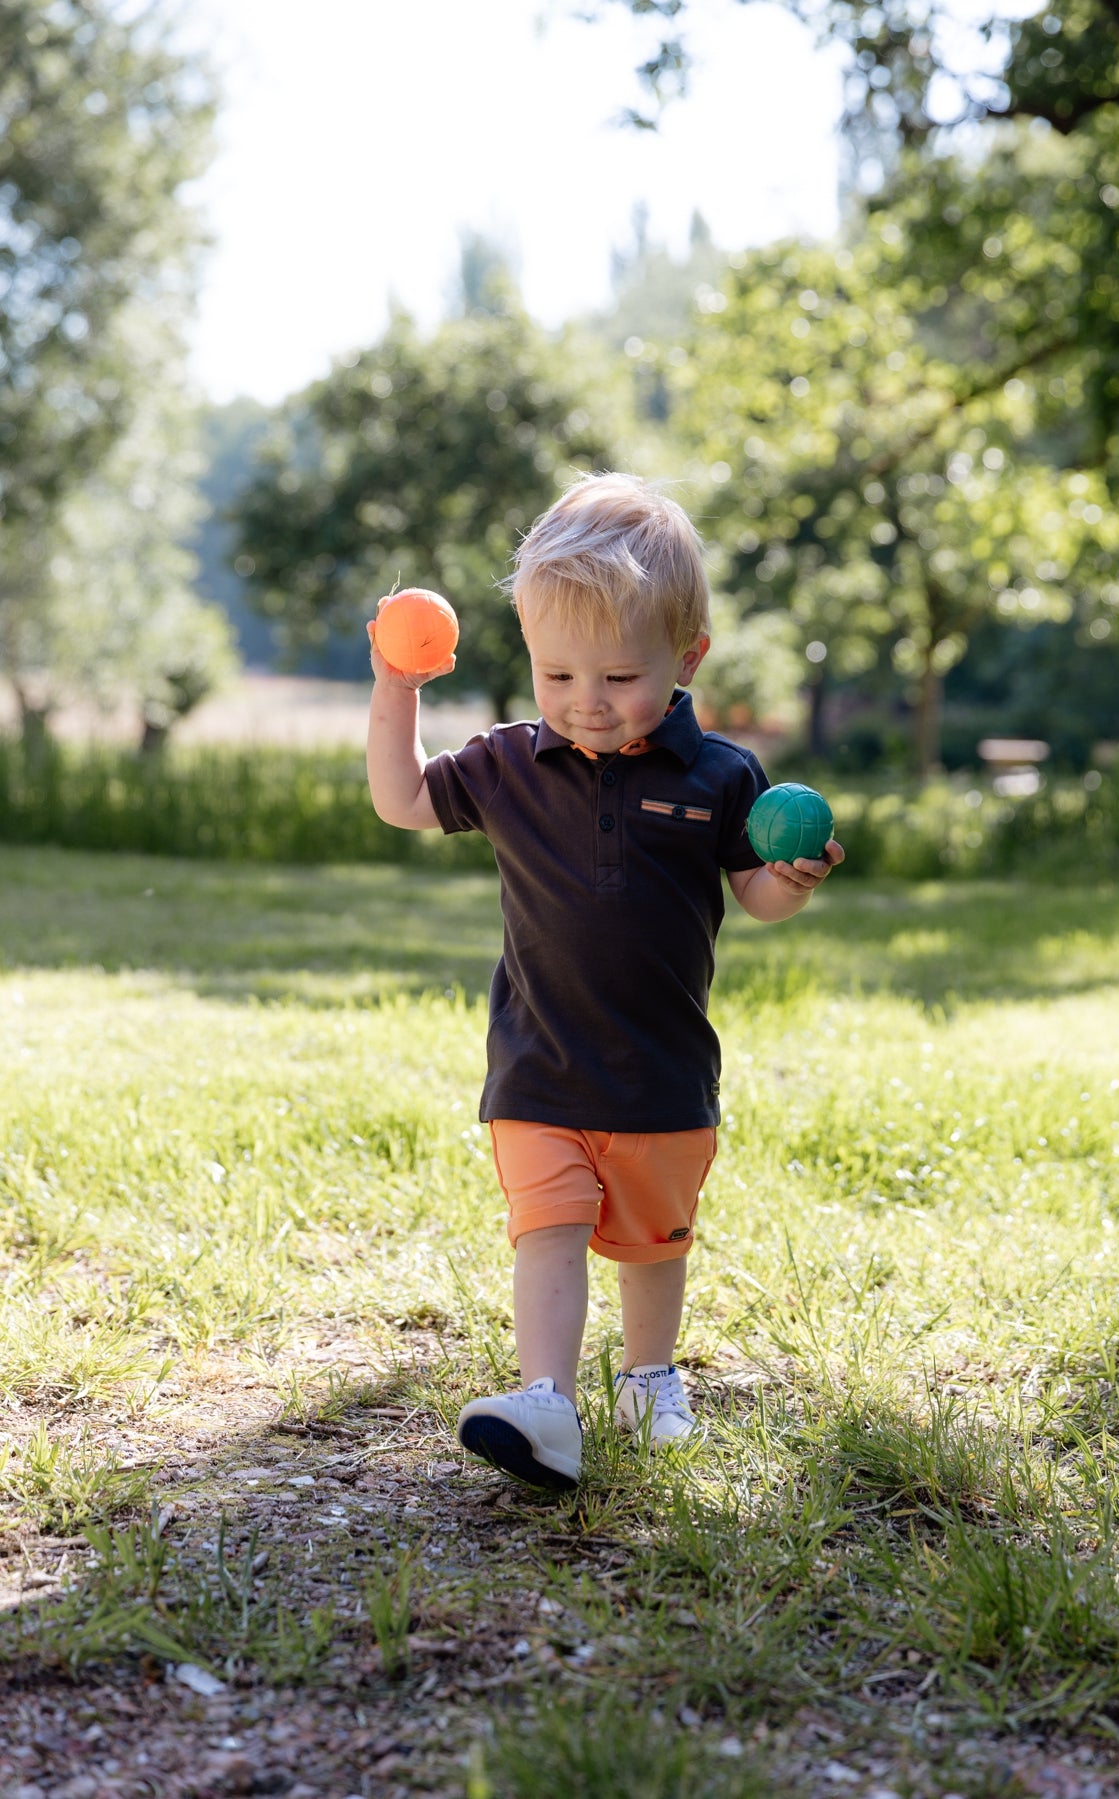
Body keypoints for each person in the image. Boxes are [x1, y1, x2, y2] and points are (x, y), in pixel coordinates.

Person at [366, 473, 843, 1490]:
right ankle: (546, 1400)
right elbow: (403, 797)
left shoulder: (720, 774)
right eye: (557, 674)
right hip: (539, 1063)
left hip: (663, 1069)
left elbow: (753, 894)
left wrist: (790, 879)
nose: (586, 701)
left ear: (688, 658)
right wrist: (397, 687)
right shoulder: (507, 766)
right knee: (551, 1226)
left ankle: (648, 1374)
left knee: (651, 1239)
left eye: (620, 676)